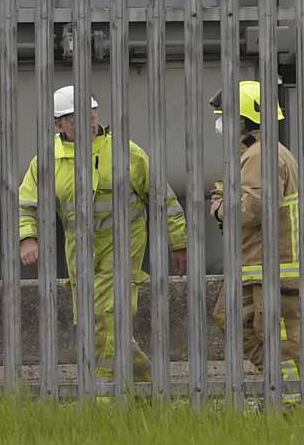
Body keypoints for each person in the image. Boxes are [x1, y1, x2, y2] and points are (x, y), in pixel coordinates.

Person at [17, 85, 187, 380]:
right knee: (90, 323)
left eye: (91, 114)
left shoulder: (126, 153)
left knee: (110, 317)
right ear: (59, 124)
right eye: (75, 118)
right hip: (80, 252)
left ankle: (103, 396)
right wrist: (27, 237)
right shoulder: (47, 160)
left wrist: (179, 242)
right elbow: (27, 203)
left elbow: (162, 198)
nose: (88, 121)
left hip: (122, 246)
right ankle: (150, 387)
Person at [209, 79, 302, 384]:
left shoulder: (262, 154)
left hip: (270, 265)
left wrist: (222, 205)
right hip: (253, 263)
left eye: (228, 116)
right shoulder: (257, 154)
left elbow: (254, 207)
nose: (223, 124)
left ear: (246, 119)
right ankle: (274, 380)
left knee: (279, 338)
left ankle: (293, 401)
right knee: (230, 318)